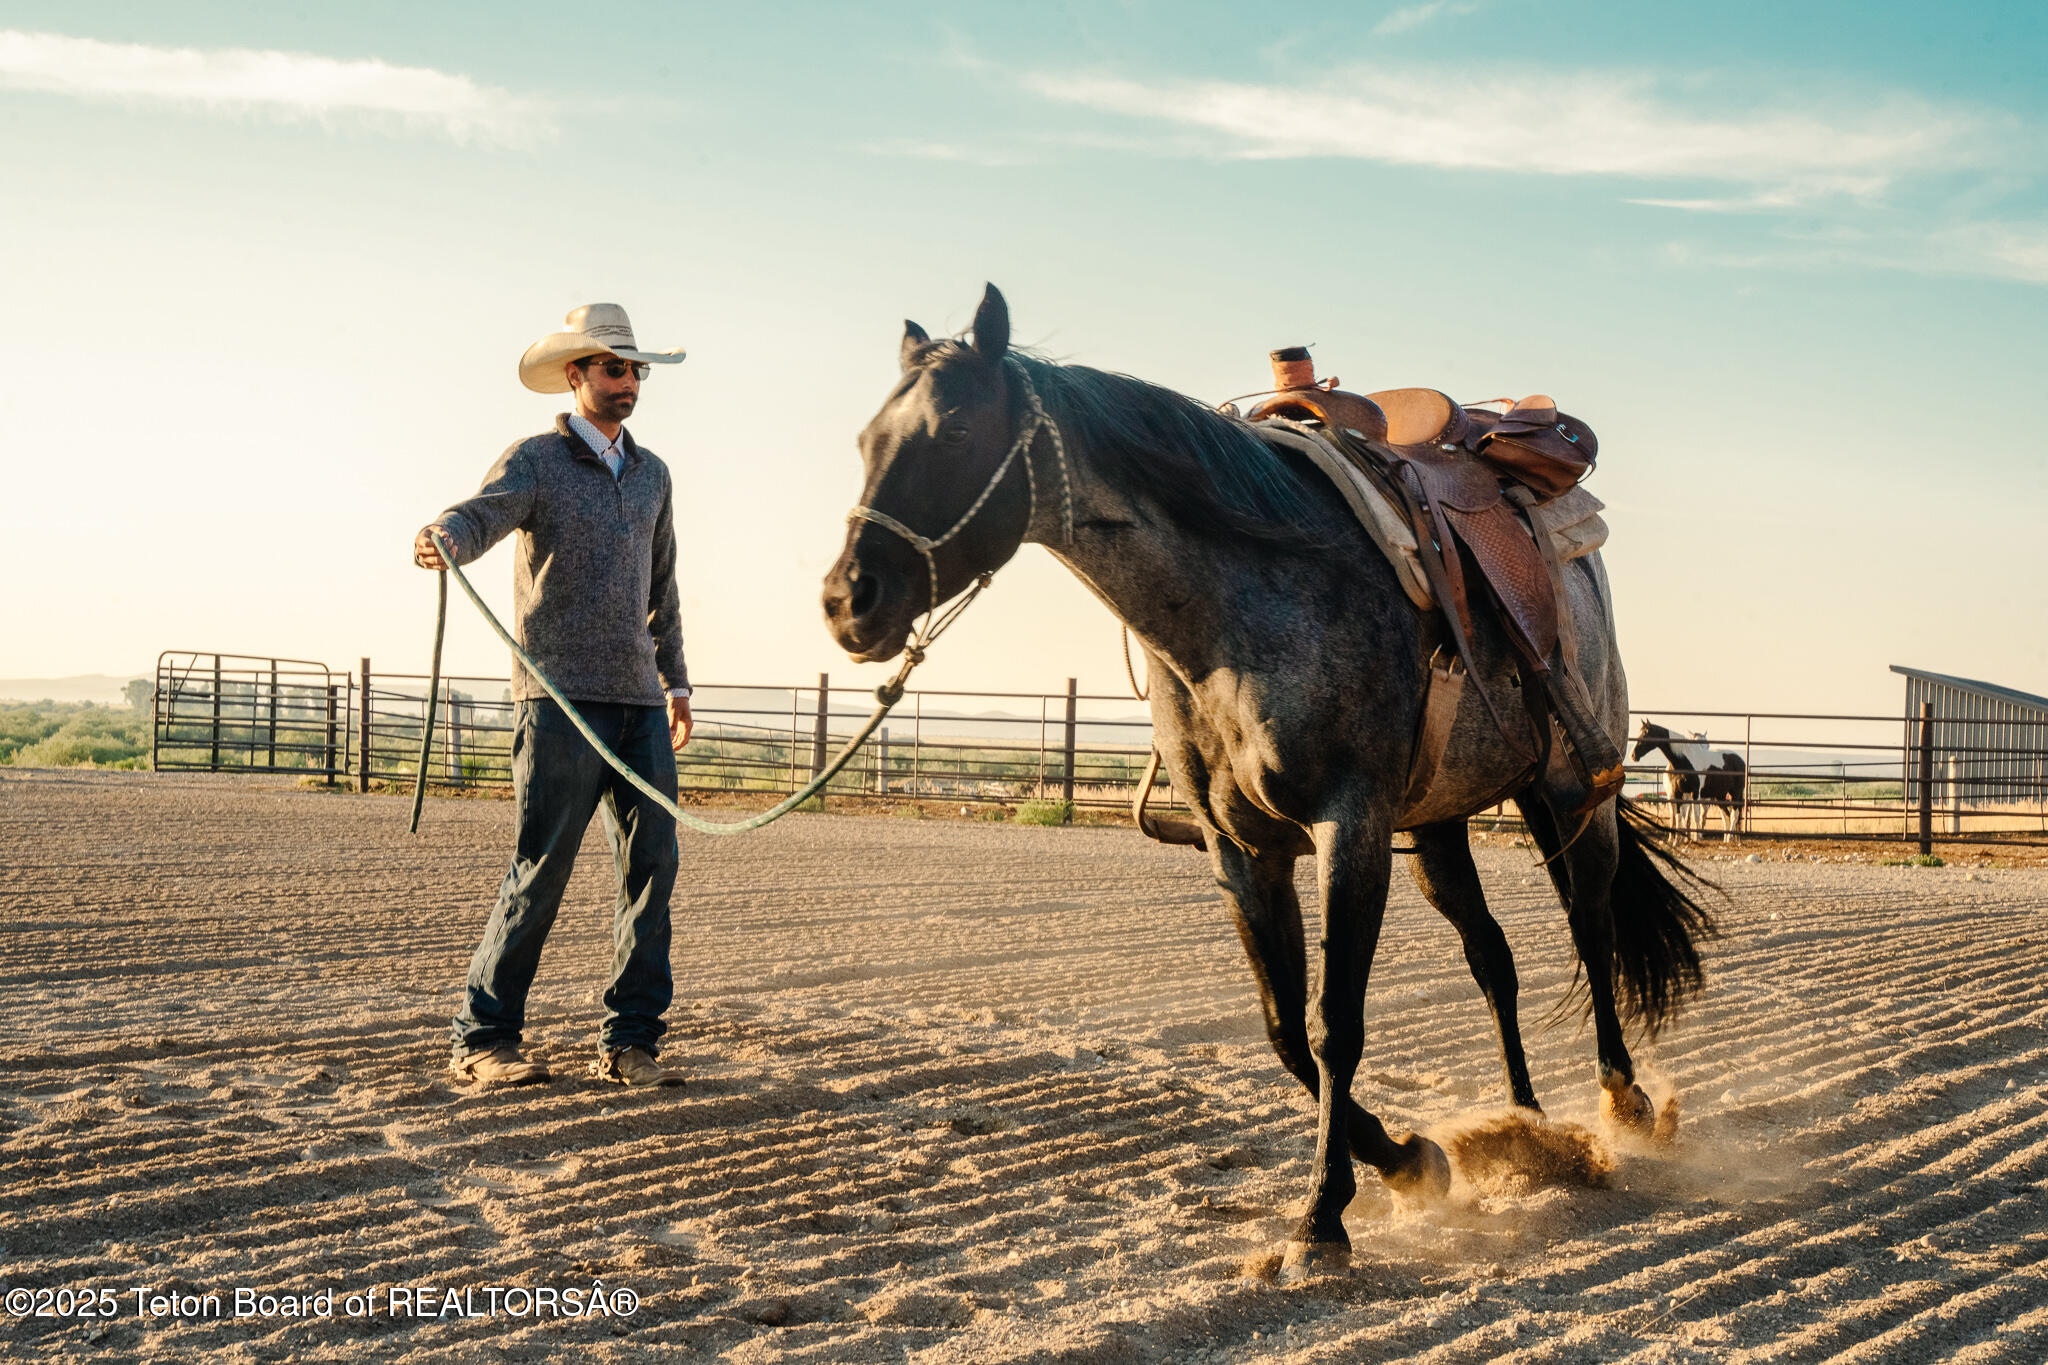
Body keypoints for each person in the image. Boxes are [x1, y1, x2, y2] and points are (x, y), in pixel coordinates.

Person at [414, 303, 693, 1088]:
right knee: (542, 866)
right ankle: (484, 1038)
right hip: (559, 699)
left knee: (653, 867)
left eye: (636, 368)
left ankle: (632, 1042)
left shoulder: (654, 475)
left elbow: (662, 586)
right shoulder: (536, 459)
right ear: (576, 375)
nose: (629, 379)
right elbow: (482, 514)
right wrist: (445, 534)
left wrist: (677, 679)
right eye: (614, 366)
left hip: (639, 701)